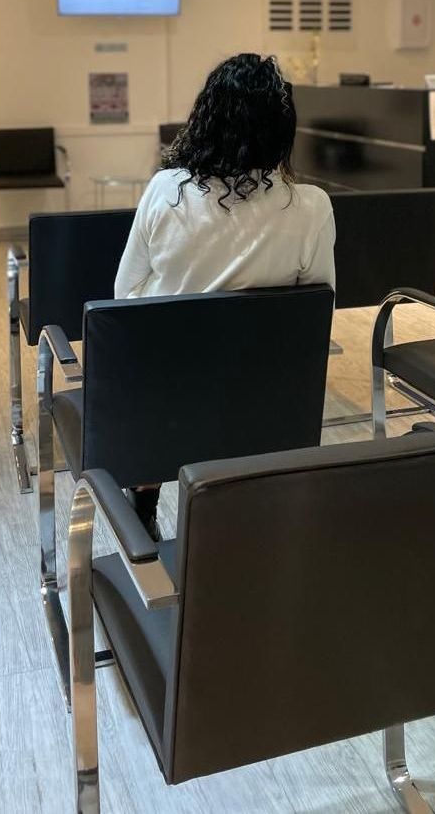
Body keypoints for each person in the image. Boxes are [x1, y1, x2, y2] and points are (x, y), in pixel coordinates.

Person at [114, 52, 336, 538]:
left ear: (205, 119)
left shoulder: (164, 190)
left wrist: (184, 294)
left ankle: (147, 491)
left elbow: (125, 295)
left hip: (170, 399)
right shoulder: (312, 207)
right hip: (264, 404)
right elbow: (316, 310)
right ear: (283, 129)